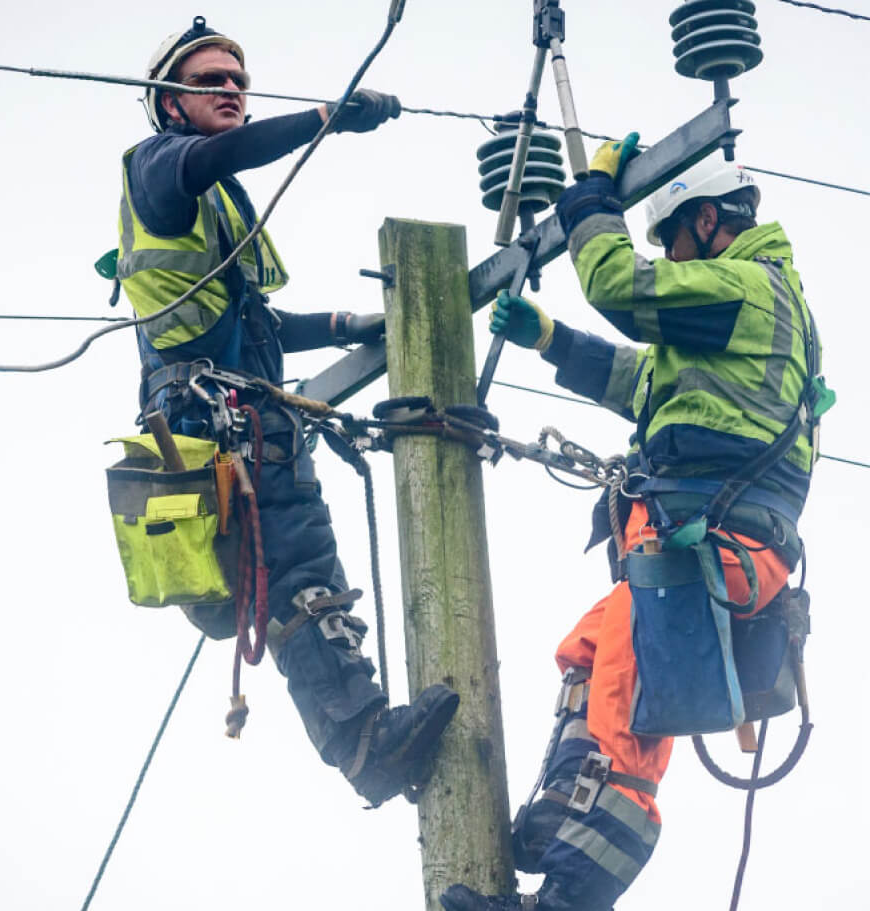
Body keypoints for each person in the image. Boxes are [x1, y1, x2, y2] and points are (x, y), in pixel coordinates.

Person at [441, 140, 828, 909]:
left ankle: (569, 894)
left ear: (706, 220)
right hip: (695, 546)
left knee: (622, 702)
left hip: (722, 544)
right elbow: (648, 382)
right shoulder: (736, 310)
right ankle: (563, 812)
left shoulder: (747, 287)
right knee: (589, 652)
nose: (671, 260)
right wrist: (551, 339)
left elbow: (620, 284)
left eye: (672, 242)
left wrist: (591, 199)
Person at [116, 15, 458, 808]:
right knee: (300, 569)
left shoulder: (212, 206)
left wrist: (347, 325)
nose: (231, 90)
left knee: (304, 576)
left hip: (237, 420)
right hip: (221, 426)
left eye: (239, 80)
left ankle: (364, 739)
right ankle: (363, 738)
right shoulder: (161, 169)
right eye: (209, 81)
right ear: (169, 103)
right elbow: (219, 154)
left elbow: (256, 322)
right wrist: (325, 118)